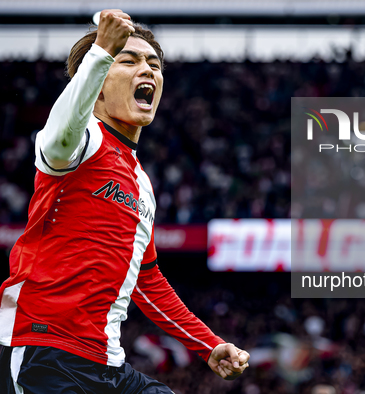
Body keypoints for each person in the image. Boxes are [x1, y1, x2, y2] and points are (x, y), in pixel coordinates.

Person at [0, 9, 249, 393]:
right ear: (97, 83)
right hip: (44, 353)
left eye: (153, 63)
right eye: (128, 60)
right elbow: (58, 134)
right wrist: (101, 48)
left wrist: (208, 344)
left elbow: (146, 280)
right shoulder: (80, 142)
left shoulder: (142, 184)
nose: (146, 69)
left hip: (108, 364)